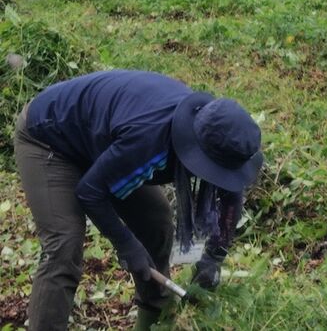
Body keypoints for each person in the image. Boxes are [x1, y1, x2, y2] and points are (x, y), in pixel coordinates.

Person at [13, 69, 262, 331]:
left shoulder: (219, 137)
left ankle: (153, 322)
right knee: (64, 244)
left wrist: (213, 258)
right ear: (197, 150)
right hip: (51, 139)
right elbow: (90, 192)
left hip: (104, 142)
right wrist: (126, 245)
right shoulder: (150, 138)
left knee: (156, 223)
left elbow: (231, 194)